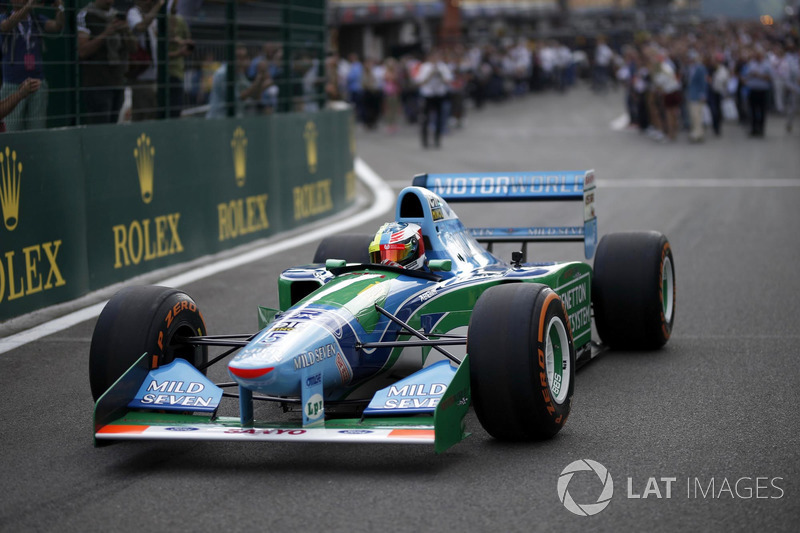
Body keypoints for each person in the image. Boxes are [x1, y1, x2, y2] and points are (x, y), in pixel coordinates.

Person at [0, 0, 65, 130]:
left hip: (37, 82)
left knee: (37, 129)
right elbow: (5, 26)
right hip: (13, 83)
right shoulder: (5, 17)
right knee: (12, 128)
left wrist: (60, 7)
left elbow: (57, 26)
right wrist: (28, 7)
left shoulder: (36, 19)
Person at [77, 0, 135, 124]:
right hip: (97, 83)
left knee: (114, 125)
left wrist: (126, 31)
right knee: (100, 125)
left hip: (118, 81)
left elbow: (133, 48)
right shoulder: (86, 15)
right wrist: (106, 33)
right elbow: (82, 51)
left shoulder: (116, 15)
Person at [206, 45, 271, 118]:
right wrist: (259, 78)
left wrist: (261, 76)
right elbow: (239, 98)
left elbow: (254, 95)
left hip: (233, 120)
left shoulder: (239, 73)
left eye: (244, 57)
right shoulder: (223, 74)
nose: (243, 61)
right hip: (219, 120)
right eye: (239, 57)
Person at [127, 0, 165, 121]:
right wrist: (158, 5)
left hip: (154, 75)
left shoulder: (153, 18)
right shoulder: (133, 12)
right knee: (144, 114)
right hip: (141, 75)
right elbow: (140, 27)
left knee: (151, 112)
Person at [415, 49, 452, 149]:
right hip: (427, 95)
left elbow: (448, 80)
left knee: (439, 118)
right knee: (425, 118)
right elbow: (420, 82)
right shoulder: (424, 67)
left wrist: (440, 74)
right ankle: (425, 141)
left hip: (439, 94)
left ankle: (437, 140)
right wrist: (430, 74)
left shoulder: (442, 66)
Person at [167, 0, 193, 118]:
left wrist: (185, 44)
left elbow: (189, 43)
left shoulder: (180, 21)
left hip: (177, 72)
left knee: (175, 110)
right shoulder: (159, 20)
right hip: (160, 74)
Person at [743, 48, 772, 137]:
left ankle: (761, 129)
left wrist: (758, 75)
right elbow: (746, 76)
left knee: (762, 111)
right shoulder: (751, 64)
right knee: (752, 110)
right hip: (753, 90)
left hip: (762, 91)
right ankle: (754, 129)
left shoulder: (767, 65)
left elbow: (769, 77)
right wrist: (751, 75)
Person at [685, 49, 708, 143]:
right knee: (693, 115)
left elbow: (703, 82)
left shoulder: (700, 68)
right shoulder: (689, 68)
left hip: (698, 94)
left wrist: (703, 94)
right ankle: (697, 131)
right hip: (691, 94)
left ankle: (698, 133)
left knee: (697, 115)